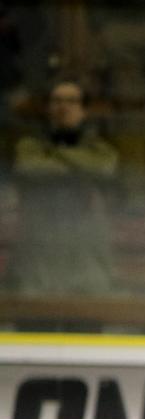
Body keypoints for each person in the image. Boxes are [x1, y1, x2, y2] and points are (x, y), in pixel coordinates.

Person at [11, 77, 118, 295]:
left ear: (83, 110)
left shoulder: (99, 149)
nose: (63, 107)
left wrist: (55, 154)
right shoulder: (30, 145)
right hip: (39, 251)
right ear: (48, 108)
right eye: (57, 100)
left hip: (85, 252)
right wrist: (79, 165)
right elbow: (30, 166)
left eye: (72, 101)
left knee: (84, 318)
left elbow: (103, 167)